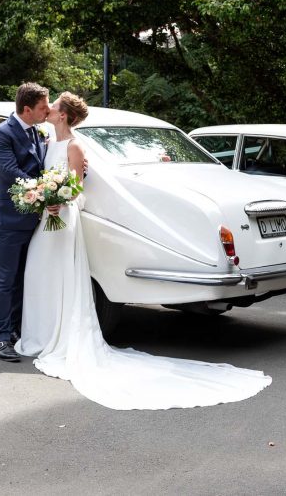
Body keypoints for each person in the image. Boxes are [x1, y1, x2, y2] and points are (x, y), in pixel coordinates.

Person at [15, 91, 272, 410]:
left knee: (62, 276)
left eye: (53, 107)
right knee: (41, 274)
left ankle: (59, 340)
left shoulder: (75, 145)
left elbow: (77, 186)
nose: (48, 109)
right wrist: (44, 197)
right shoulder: (47, 140)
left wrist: (60, 201)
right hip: (47, 219)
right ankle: (40, 337)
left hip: (64, 218)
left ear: (64, 115)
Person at [0, 82, 51, 362]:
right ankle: (0, 338)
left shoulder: (37, 132)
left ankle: (14, 331)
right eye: (43, 107)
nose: (47, 111)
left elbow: (42, 163)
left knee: (23, 278)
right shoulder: (0, 135)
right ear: (27, 109)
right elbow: (12, 173)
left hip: (32, 218)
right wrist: (49, 188)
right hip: (8, 219)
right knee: (4, 280)